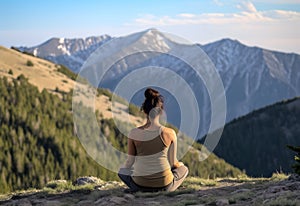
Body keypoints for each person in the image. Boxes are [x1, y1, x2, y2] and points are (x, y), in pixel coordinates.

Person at [118, 88, 189, 192]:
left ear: (144, 111)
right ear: (161, 111)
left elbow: (129, 162)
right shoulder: (170, 133)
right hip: (165, 186)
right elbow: (173, 163)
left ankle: (138, 188)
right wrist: (180, 165)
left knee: (121, 171)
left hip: (139, 185)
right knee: (184, 169)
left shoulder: (133, 134)